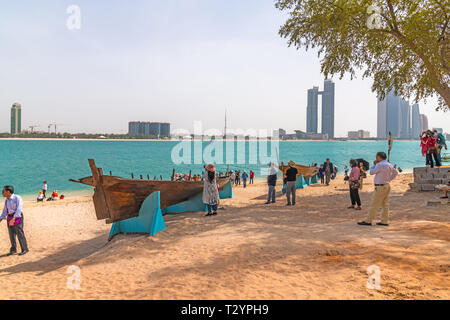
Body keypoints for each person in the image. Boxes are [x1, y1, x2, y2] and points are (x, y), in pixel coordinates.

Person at [358, 152, 398, 227]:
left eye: (376, 157)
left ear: (379, 157)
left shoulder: (380, 165)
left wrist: (374, 164)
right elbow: (395, 173)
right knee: (385, 204)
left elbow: (371, 172)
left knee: (374, 204)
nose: (376, 158)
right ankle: (384, 221)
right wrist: (389, 179)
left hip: (380, 187)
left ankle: (368, 220)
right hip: (387, 185)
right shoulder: (389, 164)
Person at [1, 186, 29, 256]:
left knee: (20, 233)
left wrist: (13, 219)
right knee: (11, 234)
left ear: (8, 192)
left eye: (3, 191)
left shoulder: (17, 198)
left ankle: (24, 249)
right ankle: (13, 249)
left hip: (17, 217)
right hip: (9, 217)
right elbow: (5, 210)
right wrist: (1, 218)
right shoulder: (6, 200)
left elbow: (19, 210)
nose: (2, 193)